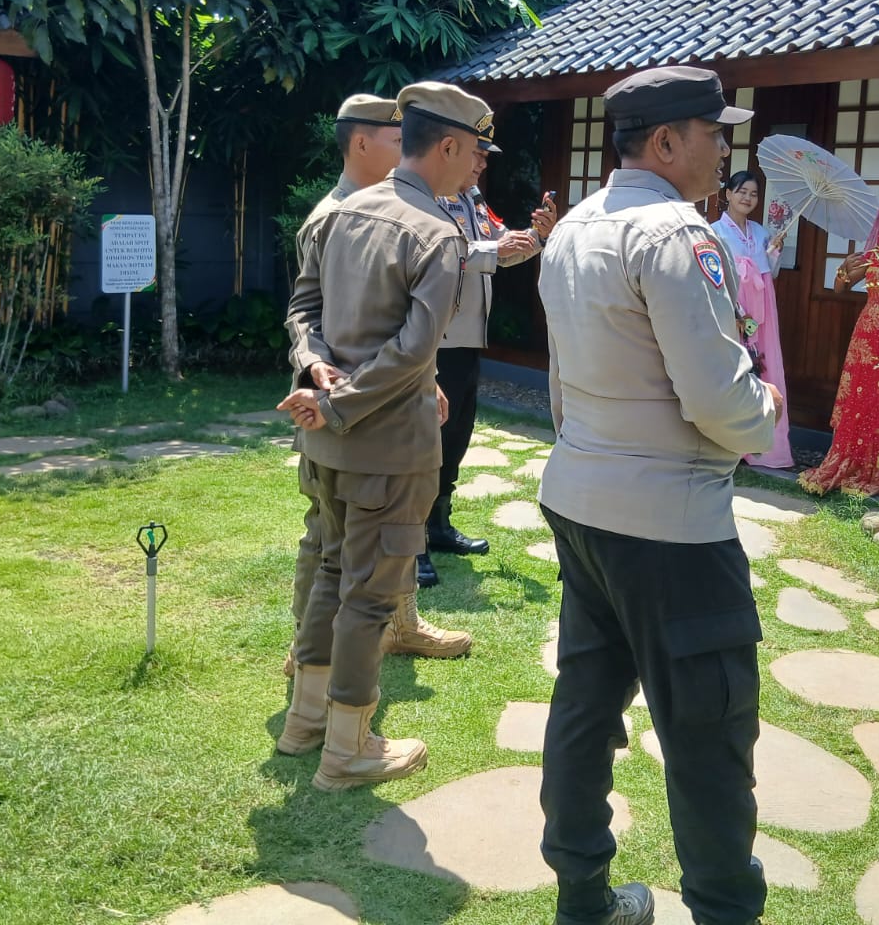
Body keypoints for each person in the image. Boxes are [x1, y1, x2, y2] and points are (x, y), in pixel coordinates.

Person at [536, 65, 782, 925]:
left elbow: (562, 381)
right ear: (667, 142)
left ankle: (582, 897)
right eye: (716, 134)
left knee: (585, 701)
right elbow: (717, 397)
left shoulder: (575, 226)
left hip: (582, 492)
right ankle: (724, 909)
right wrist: (765, 409)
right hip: (671, 523)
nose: (725, 152)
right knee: (709, 732)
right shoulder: (677, 232)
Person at [275, 81, 491, 791]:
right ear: (449, 146)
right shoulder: (437, 233)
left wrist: (316, 369)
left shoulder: (343, 211)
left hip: (330, 442)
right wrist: (337, 402)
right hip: (389, 447)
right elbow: (412, 351)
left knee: (332, 575)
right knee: (370, 598)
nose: (476, 166)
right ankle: (348, 749)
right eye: (474, 151)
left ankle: (305, 721)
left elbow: (302, 308)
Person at [420, 142, 559, 587]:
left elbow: (500, 251)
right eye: (477, 156)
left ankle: (439, 524)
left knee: (456, 436)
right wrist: (493, 248)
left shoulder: (474, 201)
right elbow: (441, 254)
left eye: (485, 159)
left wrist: (537, 237)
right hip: (435, 339)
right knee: (427, 440)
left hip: (467, 339)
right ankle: (413, 541)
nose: (482, 165)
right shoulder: (428, 197)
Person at [799, 195, 879, 497]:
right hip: (868, 339)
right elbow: (840, 288)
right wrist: (843, 268)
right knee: (865, 398)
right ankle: (857, 463)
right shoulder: (877, 254)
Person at [714, 170, 793, 469]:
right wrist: (732, 310)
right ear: (728, 194)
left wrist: (774, 252)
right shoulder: (714, 231)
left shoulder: (760, 233)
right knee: (733, 365)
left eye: (754, 194)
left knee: (763, 364)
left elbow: (770, 272)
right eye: (742, 191)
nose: (747, 198)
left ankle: (762, 444)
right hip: (731, 304)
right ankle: (729, 442)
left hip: (761, 309)